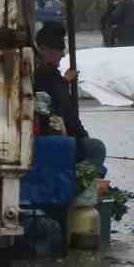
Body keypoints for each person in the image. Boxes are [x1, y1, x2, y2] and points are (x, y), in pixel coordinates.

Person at [32, 22, 106, 175]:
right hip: (50, 139)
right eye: (59, 50)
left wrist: (64, 81)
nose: (62, 55)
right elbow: (63, 109)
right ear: (45, 50)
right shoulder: (43, 74)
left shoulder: (48, 75)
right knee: (96, 148)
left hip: (56, 136)